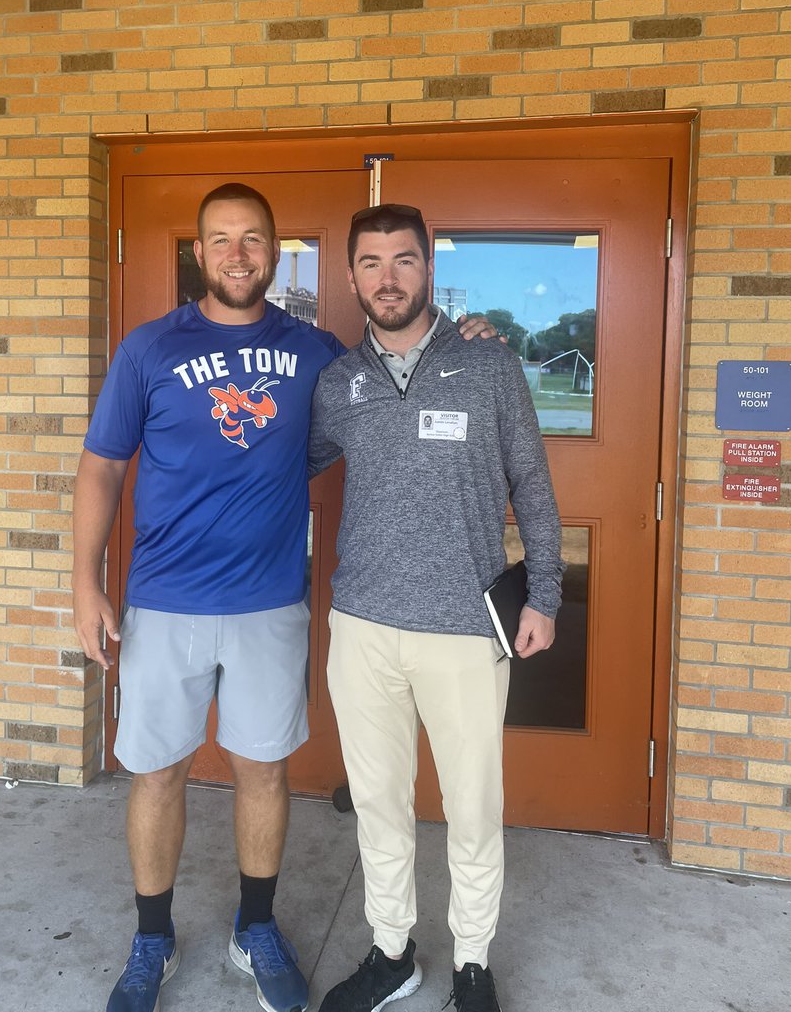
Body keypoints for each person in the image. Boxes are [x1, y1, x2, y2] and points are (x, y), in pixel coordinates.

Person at [71, 184, 496, 1012]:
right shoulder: (149, 349)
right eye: (221, 240)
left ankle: (254, 925)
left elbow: (398, 372)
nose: (237, 254)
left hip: (270, 600)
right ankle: (151, 938)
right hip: (165, 600)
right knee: (157, 774)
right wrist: (84, 583)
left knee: (262, 770)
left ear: (276, 251)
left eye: (254, 239)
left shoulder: (316, 353)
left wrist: (469, 337)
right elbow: (102, 467)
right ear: (199, 252)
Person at [308, 204, 564, 1012]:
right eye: (372, 263)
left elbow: (534, 487)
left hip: (464, 628)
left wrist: (547, 595)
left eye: (405, 260)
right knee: (380, 804)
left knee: (473, 807)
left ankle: (474, 963)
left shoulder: (489, 365)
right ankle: (392, 952)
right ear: (351, 277)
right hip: (364, 627)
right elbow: (279, 467)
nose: (388, 278)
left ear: (429, 270)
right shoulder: (337, 384)